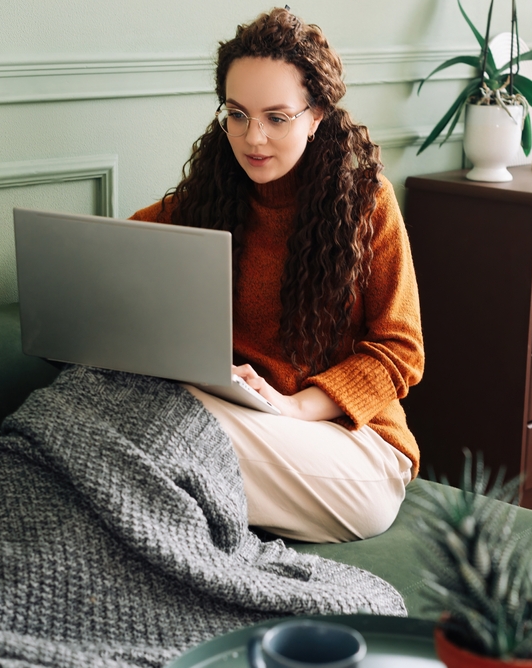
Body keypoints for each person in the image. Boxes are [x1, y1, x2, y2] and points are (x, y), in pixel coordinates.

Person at [130, 7, 423, 544]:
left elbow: (401, 352)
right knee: (103, 404)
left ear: (316, 117)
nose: (253, 137)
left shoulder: (368, 204)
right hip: (240, 421)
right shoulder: (204, 203)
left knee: (162, 430)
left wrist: (293, 407)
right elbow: (118, 255)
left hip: (354, 448)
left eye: (276, 117)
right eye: (236, 114)